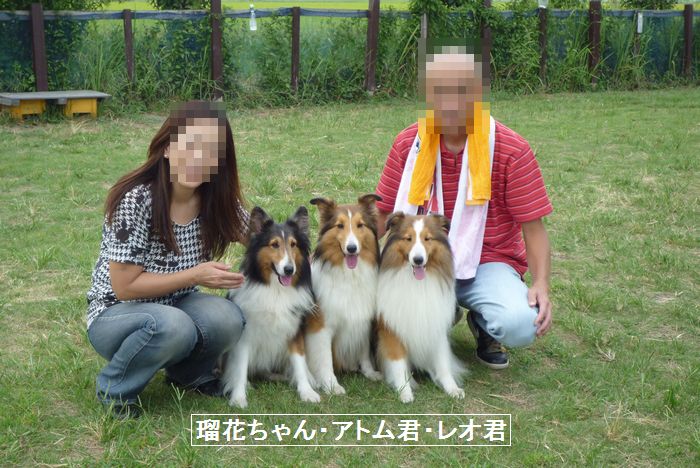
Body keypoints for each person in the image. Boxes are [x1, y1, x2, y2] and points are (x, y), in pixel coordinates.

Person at [374, 45, 553, 370]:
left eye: (461, 91)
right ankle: (445, 312)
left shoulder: (511, 149)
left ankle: (484, 324)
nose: (450, 102)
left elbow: (533, 228)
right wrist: (354, 254)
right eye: (440, 91)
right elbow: (383, 213)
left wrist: (541, 283)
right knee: (399, 340)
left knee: (520, 324)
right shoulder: (409, 143)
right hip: (419, 261)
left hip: (486, 263)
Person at [86, 101, 248, 418]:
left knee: (228, 318)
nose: (198, 158)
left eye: (210, 151)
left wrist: (312, 259)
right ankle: (114, 389)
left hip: (175, 303)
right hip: (115, 314)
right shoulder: (135, 199)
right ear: (167, 148)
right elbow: (124, 287)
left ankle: (189, 375)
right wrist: (195, 275)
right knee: (174, 326)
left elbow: (262, 237)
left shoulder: (216, 199)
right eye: (190, 145)